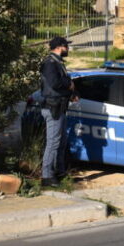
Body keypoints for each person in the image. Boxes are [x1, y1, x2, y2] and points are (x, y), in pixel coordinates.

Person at [40, 36, 77, 187]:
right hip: (52, 107)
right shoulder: (49, 63)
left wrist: (72, 94)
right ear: (60, 47)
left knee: (61, 142)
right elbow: (55, 83)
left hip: (60, 106)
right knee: (53, 143)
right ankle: (46, 176)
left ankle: (60, 172)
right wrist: (69, 84)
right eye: (66, 46)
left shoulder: (57, 62)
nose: (68, 49)